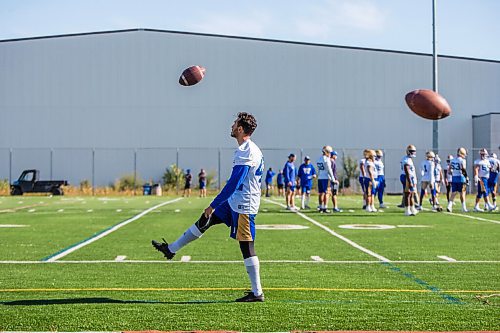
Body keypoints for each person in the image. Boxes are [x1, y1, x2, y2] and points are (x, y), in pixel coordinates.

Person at [152, 112, 265, 302]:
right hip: (235, 202)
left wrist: (213, 204)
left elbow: (234, 183)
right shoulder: (247, 148)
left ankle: (257, 292)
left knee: (246, 246)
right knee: (205, 220)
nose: (231, 126)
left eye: (234, 123)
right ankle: (171, 249)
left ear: (240, 129)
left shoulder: (247, 150)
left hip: (243, 204)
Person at [447, 147, 469, 213]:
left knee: (453, 193)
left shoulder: (452, 160)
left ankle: (449, 206)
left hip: (454, 178)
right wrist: (466, 177)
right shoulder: (462, 160)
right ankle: (464, 207)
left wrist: (454, 173)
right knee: (462, 193)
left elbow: (449, 171)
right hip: (461, 178)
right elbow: (463, 169)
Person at [401, 145, 418, 216]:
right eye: (412, 151)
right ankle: (407, 210)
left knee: (411, 194)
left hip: (409, 177)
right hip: (407, 177)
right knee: (408, 194)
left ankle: (412, 209)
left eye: (414, 151)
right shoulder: (406, 160)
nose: (413, 153)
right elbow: (407, 170)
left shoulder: (408, 159)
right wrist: (410, 181)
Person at [316, 146, 335, 213]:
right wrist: (333, 178)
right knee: (326, 192)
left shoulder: (319, 159)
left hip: (320, 177)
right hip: (325, 178)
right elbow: (329, 169)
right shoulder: (326, 159)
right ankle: (325, 207)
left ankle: (321, 206)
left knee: (321, 193)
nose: (330, 154)